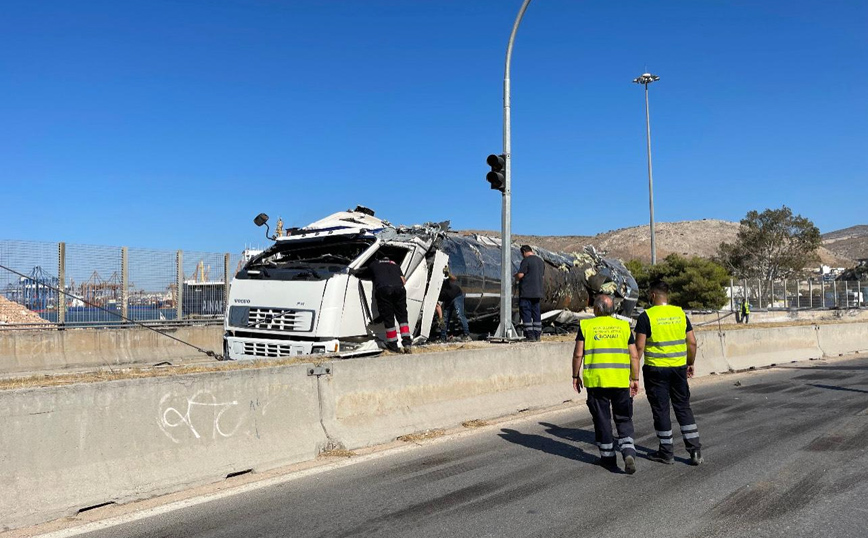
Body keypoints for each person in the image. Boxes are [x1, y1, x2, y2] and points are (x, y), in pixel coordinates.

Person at [635, 281, 702, 465]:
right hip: (679, 368)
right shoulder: (680, 314)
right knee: (683, 407)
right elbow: (692, 343)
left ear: (653, 295)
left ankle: (666, 452)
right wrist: (690, 363)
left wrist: (632, 375)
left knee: (661, 410)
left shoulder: (646, 316)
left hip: (656, 370)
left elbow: (639, 347)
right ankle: (694, 450)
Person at [572, 294, 641, 474]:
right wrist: (634, 378)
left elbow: (579, 353)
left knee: (602, 419)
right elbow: (634, 355)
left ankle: (608, 458)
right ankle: (628, 451)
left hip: (597, 382)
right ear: (612, 310)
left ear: (596, 309)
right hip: (620, 381)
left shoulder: (586, 326)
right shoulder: (623, 327)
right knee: (624, 417)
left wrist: (575, 375)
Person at [363, 254, 411, 353]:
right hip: (399, 289)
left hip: (384, 289)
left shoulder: (374, 264)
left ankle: (393, 345)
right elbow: (403, 280)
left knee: (389, 318)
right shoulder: (395, 265)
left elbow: (363, 274)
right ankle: (407, 343)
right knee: (402, 318)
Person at [515, 245, 545, 341]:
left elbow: (520, 275)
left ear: (524, 252)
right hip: (538, 292)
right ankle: (537, 335)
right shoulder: (540, 261)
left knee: (526, 313)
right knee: (536, 313)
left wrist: (514, 276)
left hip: (526, 292)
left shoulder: (526, 261)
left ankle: (530, 336)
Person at [438, 273, 471, 342]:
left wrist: (448, 274)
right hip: (448, 299)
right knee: (445, 319)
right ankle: (443, 338)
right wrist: (441, 319)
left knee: (460, 315)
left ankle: (466, 335)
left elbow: (454, 278)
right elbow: (438, 306)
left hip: (457, 295)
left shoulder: (442, 280)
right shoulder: (431, 293)